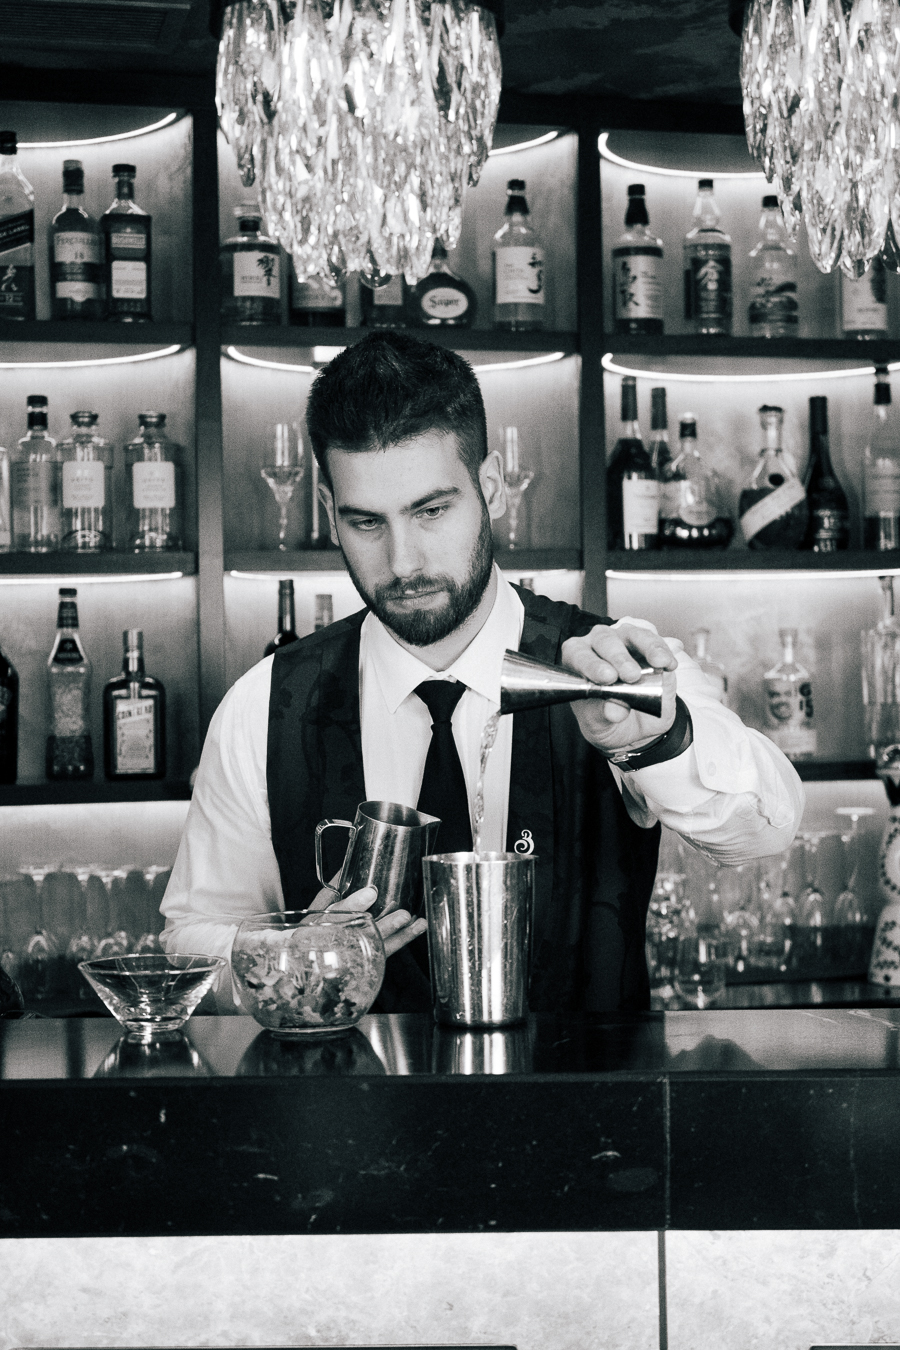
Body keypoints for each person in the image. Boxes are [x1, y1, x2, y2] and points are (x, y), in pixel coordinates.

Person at [161, 331, 804, 1012]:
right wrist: (287, 957)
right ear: (329, 511)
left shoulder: (613, 666)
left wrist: (646, 741)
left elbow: (765, 832)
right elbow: (189, 939)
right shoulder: (264, 704)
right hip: (349, 1085)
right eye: (366, 523)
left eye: (432, 511)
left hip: (591, 1083)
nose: (403, 562)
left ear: (490, 487)